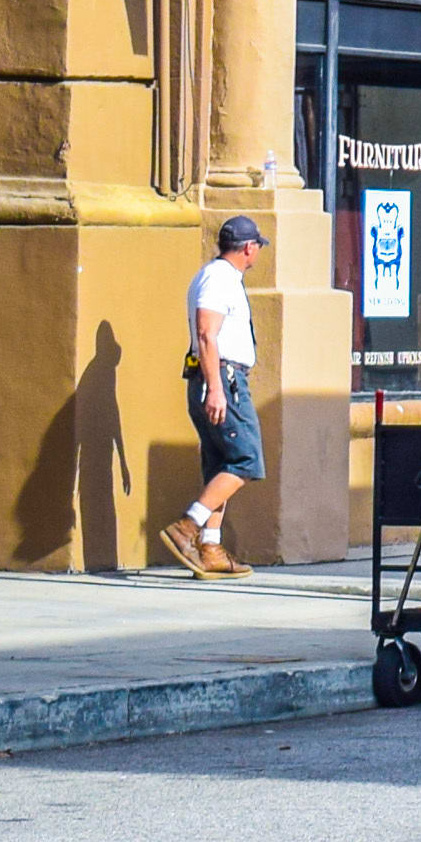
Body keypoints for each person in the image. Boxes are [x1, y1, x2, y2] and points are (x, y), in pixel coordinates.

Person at [160, 216, 266, 579]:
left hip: (221, 377)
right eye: (257, 247)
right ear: (249, 247)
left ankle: (211, 547)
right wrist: (217, 388)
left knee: (222, 465)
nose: (257, 253)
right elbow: (207, 334)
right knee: (246, 461)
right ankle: (188, 526)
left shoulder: (219, 277)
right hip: (224, 378)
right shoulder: (218, 278)